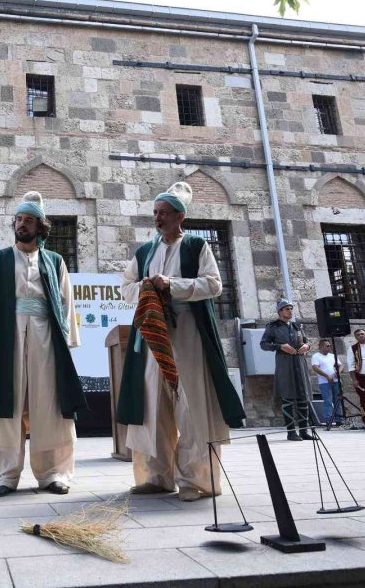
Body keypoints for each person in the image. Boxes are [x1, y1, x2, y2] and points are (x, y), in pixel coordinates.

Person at [117, 182, 245, 501]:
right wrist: (146, 286)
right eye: (155, 212)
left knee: (190, 404)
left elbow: (214, 285)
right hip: (152, 335)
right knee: (153, 403)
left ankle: (194, 480)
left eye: (163, 213)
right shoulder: (145, 252)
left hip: (188, 332)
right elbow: (126, 288)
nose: (158, 218)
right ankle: (157, 476)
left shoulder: (196, 246)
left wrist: (172, 285)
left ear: (180, 216)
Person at [0, 191, 86, 498]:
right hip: (8, 335)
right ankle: (4, 475)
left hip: (46, 336)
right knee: (9, 405)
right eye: (19, 219)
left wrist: (68, 341)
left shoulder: (54, 261)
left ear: (40, 226)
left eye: (28, 220)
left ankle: (54, 473)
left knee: (48, 402)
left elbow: (66, 302)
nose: (22, 224)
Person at [261, 300, 316, 441]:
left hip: (300, 363)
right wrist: (280, 346)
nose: (290, 311)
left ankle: (303, 431)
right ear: (280, 311)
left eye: (291, 308)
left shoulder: (297, 326)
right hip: (285, 364)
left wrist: (307, 347)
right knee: (288, 397)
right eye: (287, 309)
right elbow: (264, 344)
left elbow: (306, 341)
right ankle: (291, 432)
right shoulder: (273, 327)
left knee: (303, 397)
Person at [310, 339, 344, 430]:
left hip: (336, 381)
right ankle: (329, 420)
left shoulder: (332, 356)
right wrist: (327, 376)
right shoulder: (316, 356)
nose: (329, 347)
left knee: (338, 401)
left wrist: (338, 372)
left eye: (330, 345)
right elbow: (315, 367)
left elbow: (341, 365)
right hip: (324, 382)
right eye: (327, 345)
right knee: (328, 401)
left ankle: (339, 420)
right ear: (321, 347)